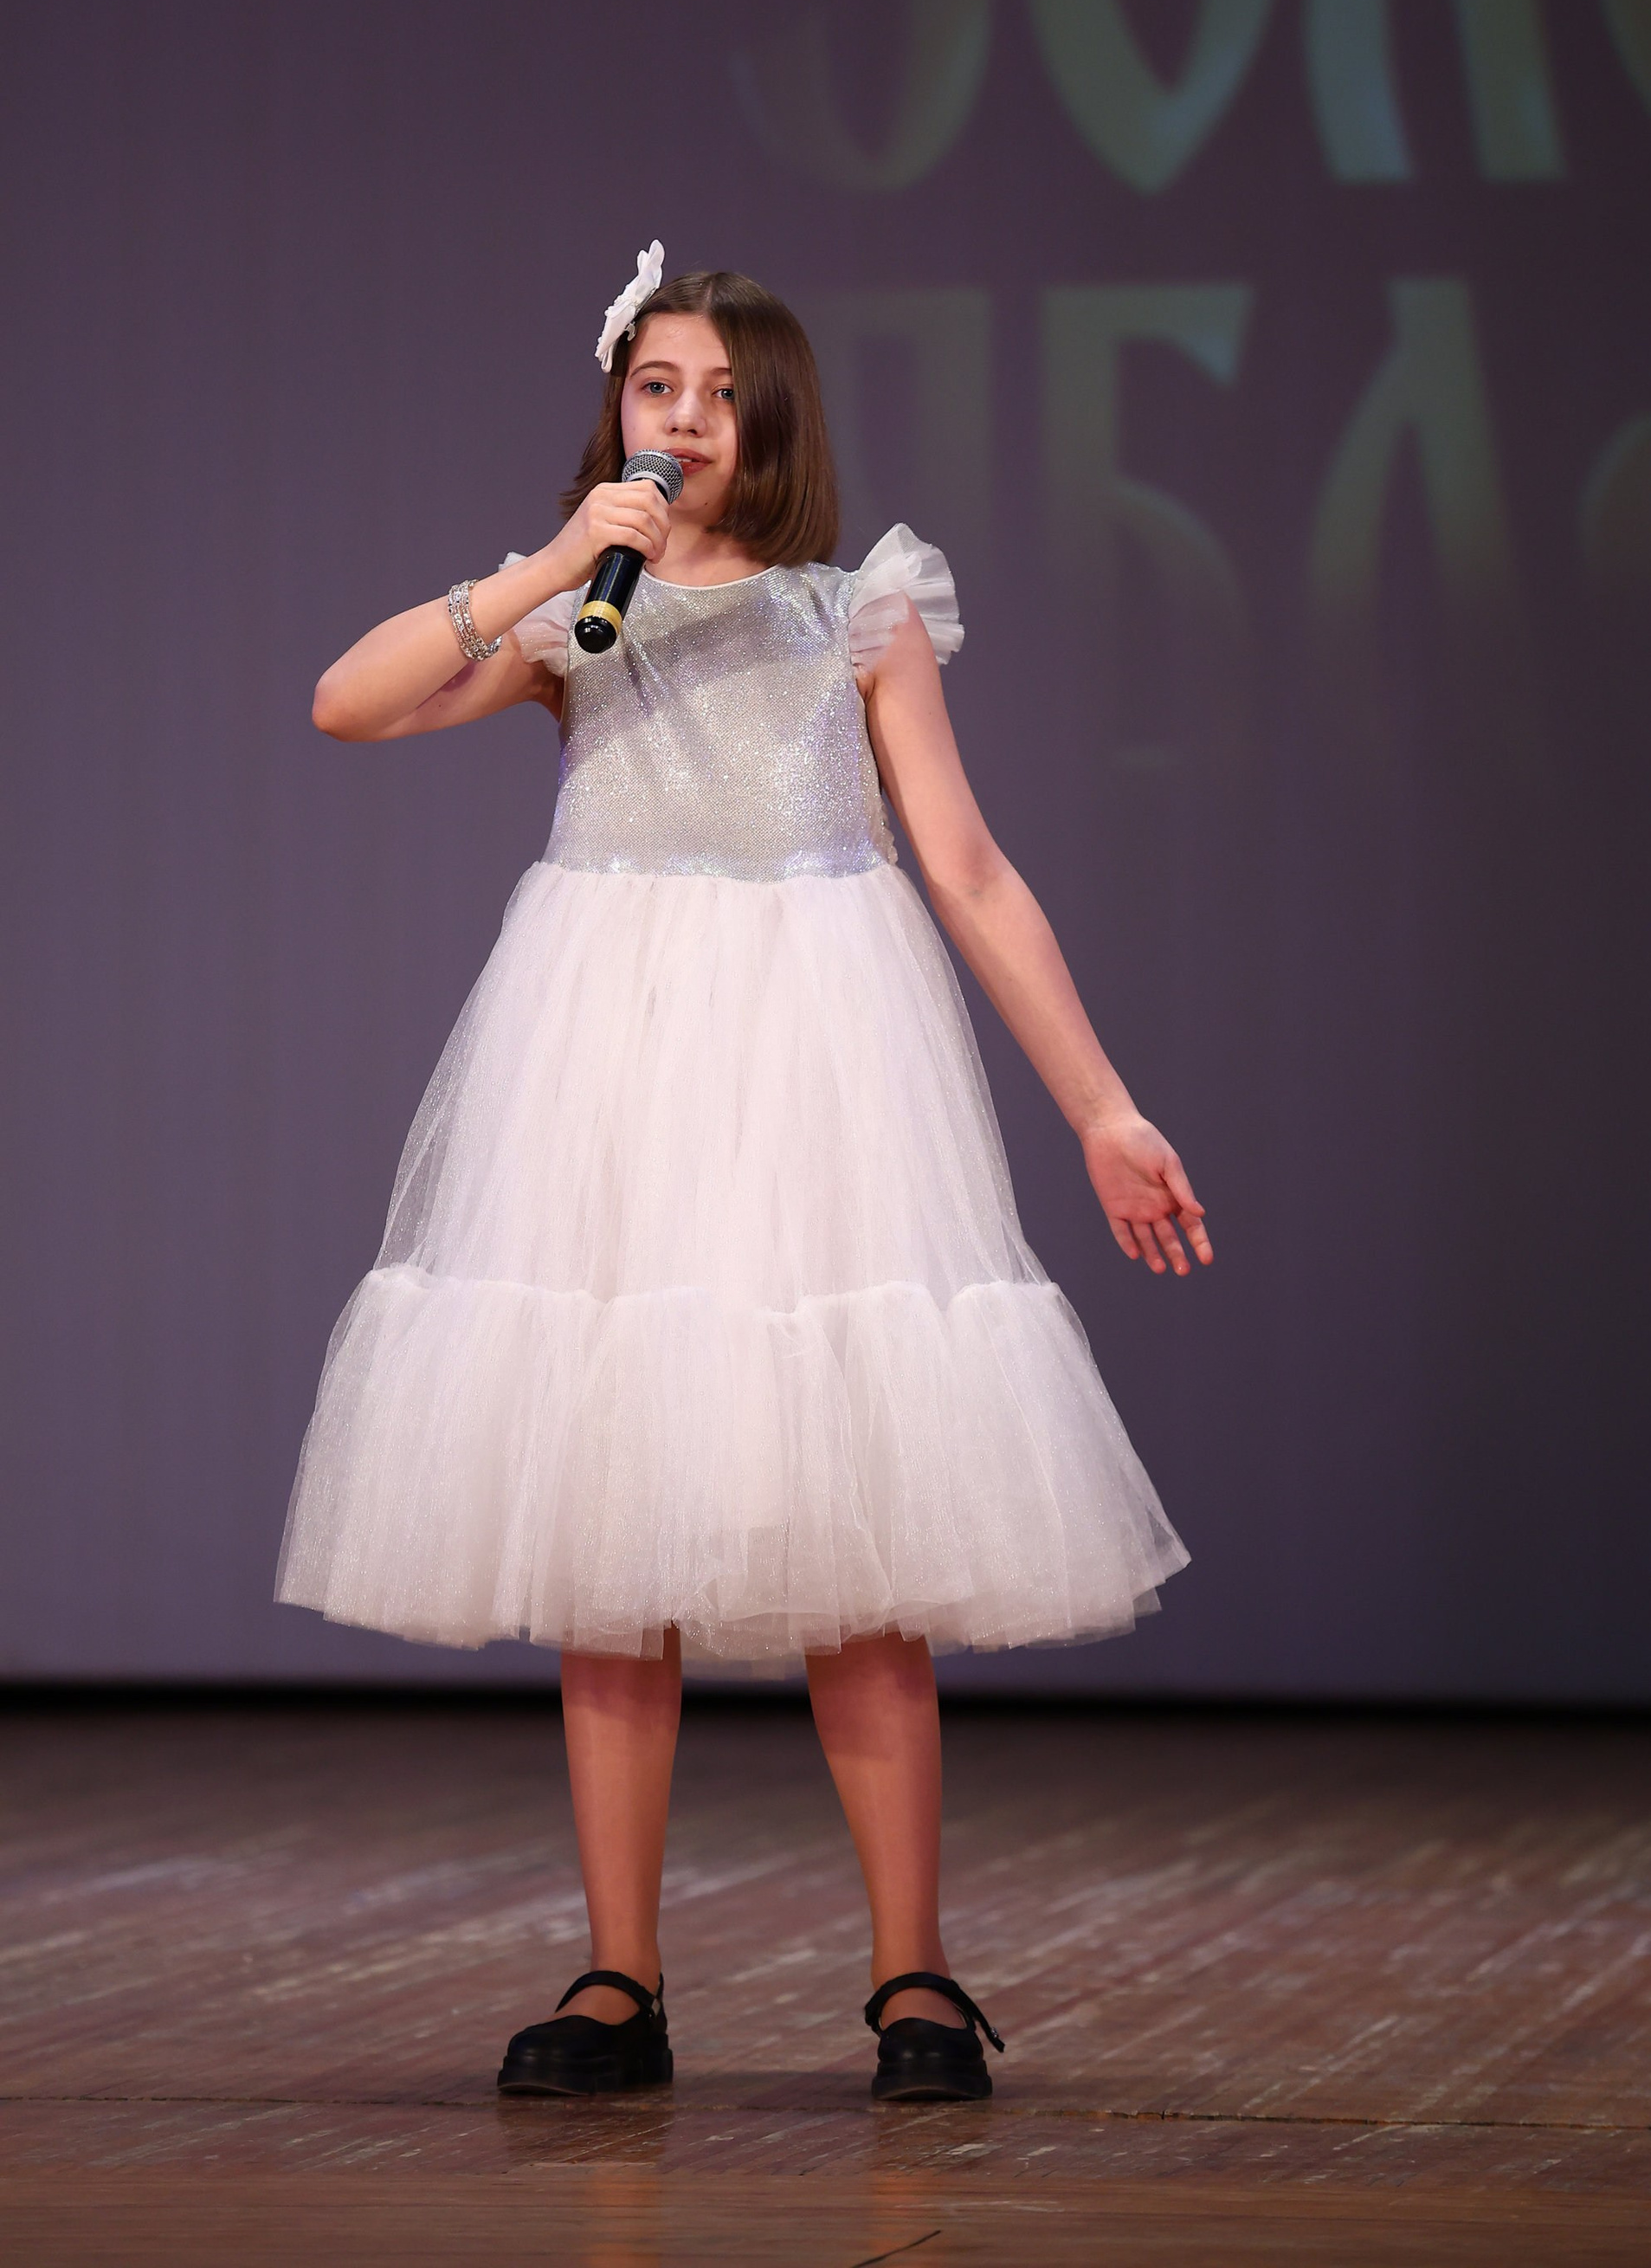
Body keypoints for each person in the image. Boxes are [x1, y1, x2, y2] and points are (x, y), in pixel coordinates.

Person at [276, 246, 1211, 2104]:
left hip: (815, 1071)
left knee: (857, 1527)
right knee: (609, 1533)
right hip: (608, 1069)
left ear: (770, 416)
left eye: (718, 390)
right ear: (616, 410)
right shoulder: (577, 615)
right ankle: (618, 1976)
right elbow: (347, 704)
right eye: (657, 387)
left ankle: (913, 1972)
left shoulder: (853, 614)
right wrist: (549, 566)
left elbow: (966, 868)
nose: (686, 418)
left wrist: (1101, 1106)